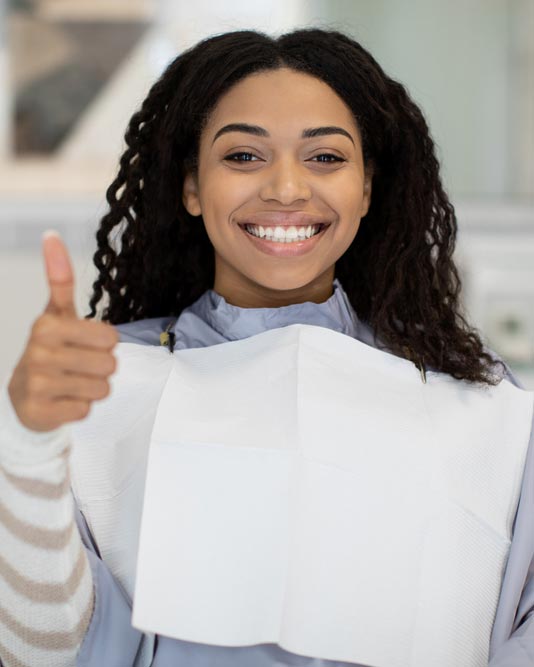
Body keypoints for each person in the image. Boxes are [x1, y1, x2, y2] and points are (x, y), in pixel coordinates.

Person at [0, 26, 533, 667]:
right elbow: (49, 650)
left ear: (367, 187)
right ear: (192, 187)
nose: (285, 189)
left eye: (326, 158)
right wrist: (27, 443)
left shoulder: (487, 412)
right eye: (244, 157)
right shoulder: (102, 388)